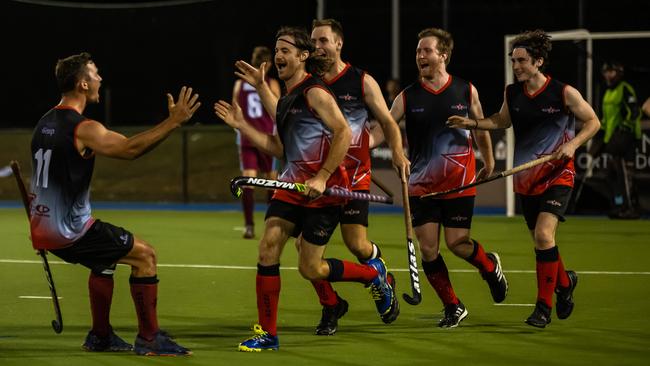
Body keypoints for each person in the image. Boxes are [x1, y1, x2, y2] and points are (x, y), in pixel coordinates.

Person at [214, 26, 398, 352]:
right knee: (268, 246)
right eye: (277, 50)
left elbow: (343, 133)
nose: (278, 56)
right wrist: (242, 125)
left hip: (325, 192)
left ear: (302, 56)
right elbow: (276, 146)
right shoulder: (287, 98)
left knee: (310, 268)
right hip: (292, 184)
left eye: (286, 50)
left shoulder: (315, 93)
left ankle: (372, 277)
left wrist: (323, 175)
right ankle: (268, 335)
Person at [29, 52, 198, 355]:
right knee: (145, 256)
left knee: (104, 260)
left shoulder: (43, 123)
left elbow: (40, 186)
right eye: (95, 73)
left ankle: (101, 335)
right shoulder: (83, 127)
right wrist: (173, 122)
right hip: (70, 232)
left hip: (44, 228)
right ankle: (149, 337)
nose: (100, 79)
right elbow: (129, 149)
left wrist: (39, 224)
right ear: (82, 83)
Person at [447, 29, 601, 328]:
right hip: (526, 178)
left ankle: (543, 308)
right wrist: (472, 123)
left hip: (558, 174)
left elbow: (593, 121)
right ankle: (565, 284)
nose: (515, 65)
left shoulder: (563, 93)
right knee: (542, 241)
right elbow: (502, 121)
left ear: (538, 61)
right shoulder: (512, 93)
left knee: (544, 235)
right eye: (513, 60)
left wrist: (572, 144)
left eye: (521, 60)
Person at [373, 27, 508, 328]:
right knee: (430, 248)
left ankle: (489, 266)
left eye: (427, 50)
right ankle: (453, 306)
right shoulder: (407, 97)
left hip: (459, 181)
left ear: (443, 55)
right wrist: (362, 146)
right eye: (418, 50)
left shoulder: (465, 90)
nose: (420, 55)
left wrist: (488, 160)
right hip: (421, 184)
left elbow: (480, 125)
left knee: (458, 243)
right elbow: (384, 126)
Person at [306, 18, 408, 336]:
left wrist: (397, 152)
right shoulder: (308, 81)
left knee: (357, 244)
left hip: (354, 177)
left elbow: (388, 122)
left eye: (323, 41)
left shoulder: (361, 81)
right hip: (319, 178)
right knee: (303, 247)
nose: (317, 47)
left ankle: (378, 276)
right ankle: (330, 305)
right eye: (313, 42)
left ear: (338, 43)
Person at [232, 46, 282, 238]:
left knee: (248, 181)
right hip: (267, 139)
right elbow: (278, 111)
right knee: (271, 182)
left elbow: (234, 110)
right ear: (267, 64)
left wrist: (239, 128)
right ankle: (270, 225)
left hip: (246, 137)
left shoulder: (239, 85)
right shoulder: (272, 84)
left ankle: (249, 226)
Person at [590, 61, 642, 219]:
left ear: (619, 73)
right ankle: (619, 205)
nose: (608, 75)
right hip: (612, 140)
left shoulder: (625, 89)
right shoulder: (607, 93)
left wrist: (623, 130)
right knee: (611, 176)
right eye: (606, 72)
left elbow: (634, 113)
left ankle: (631, 208)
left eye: (611, 72)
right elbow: (606, 120)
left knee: (625, 175)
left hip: (625, 139)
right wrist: (600, 138)